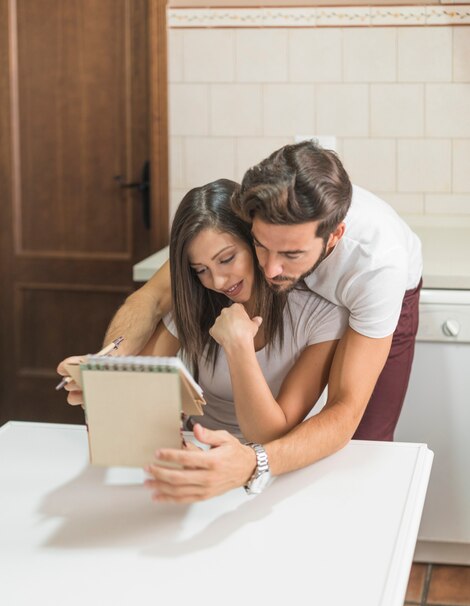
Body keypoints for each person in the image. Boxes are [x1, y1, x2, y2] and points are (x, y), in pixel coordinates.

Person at [59, 141, 423, 503]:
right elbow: (152, 299)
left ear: (334, 238)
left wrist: (252, 462)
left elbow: (343, 410)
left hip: (379, 291)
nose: (270, 269)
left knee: (366, 443)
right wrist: (107, 368)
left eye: (290, 254)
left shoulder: (376, 268)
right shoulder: (242, 228)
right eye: (260, 246)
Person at [59, 178, 347, 461]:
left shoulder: (319, 313)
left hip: (275, 461)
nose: (218, 281)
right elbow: (141, 375)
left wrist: (238, 345)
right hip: (198, 449)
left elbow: (268, 437)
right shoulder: (199, 299)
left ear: (256, 242)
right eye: (201, 269)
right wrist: (105, 374)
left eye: (227, 259)